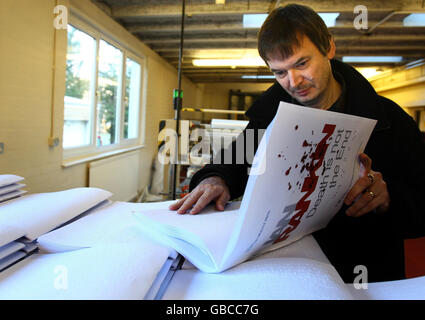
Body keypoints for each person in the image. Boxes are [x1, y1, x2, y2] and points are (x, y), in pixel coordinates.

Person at [170, 3, 425, 283]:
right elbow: (233, 163)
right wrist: (216, 179)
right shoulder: (265, 118)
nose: (294, 81)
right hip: (289, 270)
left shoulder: (391, 120)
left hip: (368, 274)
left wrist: (388, 199)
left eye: (302, 63)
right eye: (280, 72)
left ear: (329, 47)